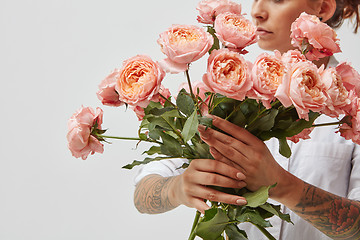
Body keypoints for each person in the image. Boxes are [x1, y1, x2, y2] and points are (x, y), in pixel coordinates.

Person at [133, 0, 360, 239]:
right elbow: (142, 192)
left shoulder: (353, 107)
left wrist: (281, 185)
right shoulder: (230, 88)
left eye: (277, 0)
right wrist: (176, 188)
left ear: (322, 8)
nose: (257, 12)